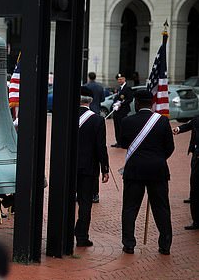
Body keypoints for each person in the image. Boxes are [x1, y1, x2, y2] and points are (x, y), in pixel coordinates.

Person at [120, 89, 174, 254]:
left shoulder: (127, 121)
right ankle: (165, 245)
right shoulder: (163, 122)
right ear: (152, 103)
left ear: (136, 103)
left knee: (130, 207)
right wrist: (157, 159)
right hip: (157, 170)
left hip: (134, 170)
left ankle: (129, 243)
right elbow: (170, 148)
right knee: (161, 207)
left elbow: (122, 144)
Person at [75, 86, 110, 247]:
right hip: (89, 168)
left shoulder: (68, 117)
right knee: (85, 203)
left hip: (69, 168)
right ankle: (82, 236)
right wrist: (105, 169)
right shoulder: (97, 120)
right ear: (91, 101)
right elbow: (101, 147)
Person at [173, 116, 199, 230]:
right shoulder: (197, 118)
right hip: (196, 156)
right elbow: (188, 125)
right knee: (194, 186)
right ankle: (196, 221)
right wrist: (178, 129)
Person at [111, 73, 133, 148]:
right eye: (118, 79)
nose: (119, 81)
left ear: (124, 79)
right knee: (116, 126)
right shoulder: (119, 89)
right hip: (117, 111)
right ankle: (118, 142)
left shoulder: (127, 88)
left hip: (123, 111)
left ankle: (122, 142)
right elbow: (116, 99)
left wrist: (121, 104)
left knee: (121, 127)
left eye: (121, 79)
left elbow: (130, 99)